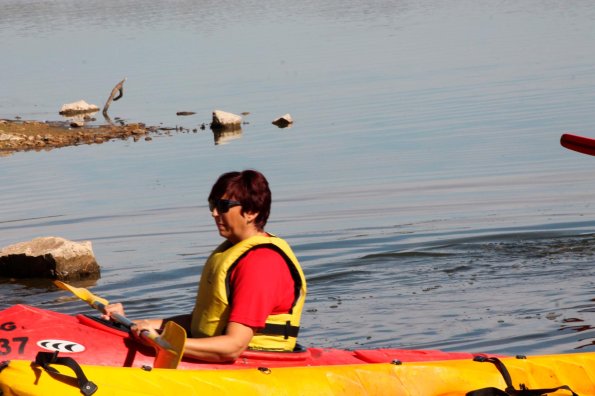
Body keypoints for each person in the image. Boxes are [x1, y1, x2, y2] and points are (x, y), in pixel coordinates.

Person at [103, 170, 307, 362]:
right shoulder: (232, 251)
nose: (214, 213)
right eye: (212, 205)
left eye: (223, 206)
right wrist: (140, 324)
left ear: (251, 212)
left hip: (254, 362)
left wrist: (167, 343)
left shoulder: (261, 263)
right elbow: (201, 323)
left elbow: (233, 347)